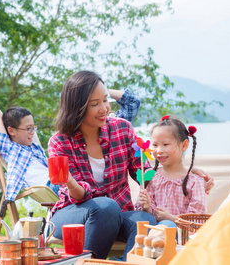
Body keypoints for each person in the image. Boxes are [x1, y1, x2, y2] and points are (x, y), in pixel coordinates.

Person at [47, 71, 213, 260]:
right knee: (106, 208)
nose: (104, 108)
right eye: (95, 104)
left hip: (119, 213)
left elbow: (143, 172)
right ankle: (90, 263)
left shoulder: (122, 129)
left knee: (146, 220)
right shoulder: (60, 142)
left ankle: (127, 263)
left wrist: (185, 173)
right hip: (72, 214)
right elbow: (78, 195)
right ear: (76, 107)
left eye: (106, 100)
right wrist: (69, 181)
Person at [0, 88, 140, 202]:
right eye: (28, 129)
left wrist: (98, 90)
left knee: (116, 128)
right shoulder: (10, 149)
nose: (32, 132)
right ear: (11, 131)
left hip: (59, 178)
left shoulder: (33, 147)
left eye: (33, 128)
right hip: (52, 186)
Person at [135, 115, 207, 231]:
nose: (159, 151)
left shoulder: (195, 181)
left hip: (183, 236)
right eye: (155, 145)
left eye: (165, 144)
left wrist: (171, 218)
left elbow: (197, 221)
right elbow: (145, 217)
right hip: (154, 234)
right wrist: (147, 207)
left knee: (167, 225)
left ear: (184, 145)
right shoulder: (150, 176)